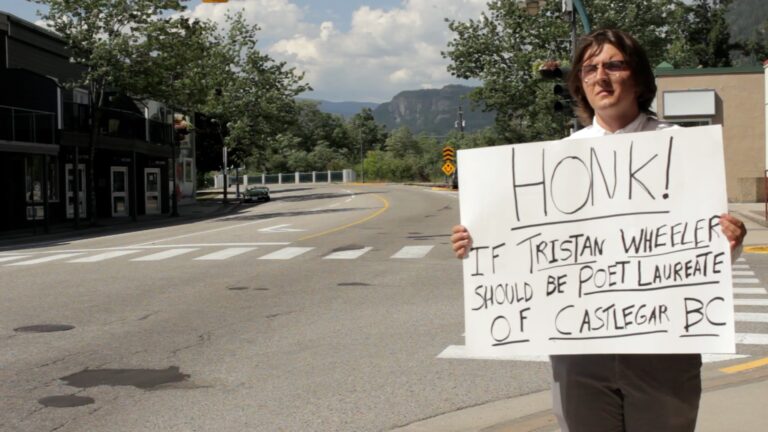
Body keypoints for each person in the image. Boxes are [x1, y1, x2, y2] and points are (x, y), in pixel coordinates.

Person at [450, 29, 747, 432]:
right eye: (589, 68)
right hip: (580, 352)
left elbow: (699, 249)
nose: (600, 77)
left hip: (662, 346)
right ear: (579, 83)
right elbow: (530, 248)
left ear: (639, 79)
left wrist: (730, 240)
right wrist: (479, 242)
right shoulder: (560, 156)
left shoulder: (681, 147)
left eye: (614, 65)